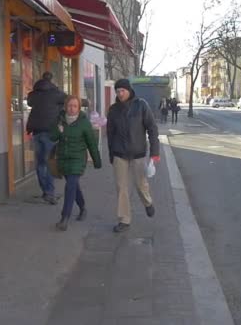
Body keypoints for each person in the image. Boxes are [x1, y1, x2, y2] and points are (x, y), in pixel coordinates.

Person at [107, 79, 160, 233]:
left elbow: (152, 128)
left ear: (129, 90)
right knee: (121, 188)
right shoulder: (113, 110)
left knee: (140, 184)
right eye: (117, 91)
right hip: (119, 154)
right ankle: (124, 219)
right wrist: (111, 154)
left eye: (122, 90)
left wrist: (154, 153)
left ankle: (148, 203)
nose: (120, 93)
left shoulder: (141, 105)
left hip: (138, 154)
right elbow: (110, 134)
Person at [50, 95, 102, 231]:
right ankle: (83, 207)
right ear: (65, 107)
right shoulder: (60, 120)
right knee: (73, 186)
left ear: (79, 108)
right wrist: (58, 129)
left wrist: (97, 161)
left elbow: (91, 143)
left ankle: (64, 218)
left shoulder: (84, 123)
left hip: (78, 159)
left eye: (74, 106)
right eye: (69, 106)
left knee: (70, 186)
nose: (71, 109)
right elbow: (52, 137)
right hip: (63, 158)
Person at [26, 72, 67, 205]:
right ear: (51, 80)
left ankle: (45, 190)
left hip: (36, 131)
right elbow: (67, 100)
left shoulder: (34, 94)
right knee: (49, 162)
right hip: (50, 132)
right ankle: (49, 193)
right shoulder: (56, 94)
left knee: (40, 164)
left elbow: (30, 102)